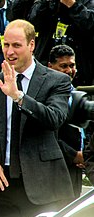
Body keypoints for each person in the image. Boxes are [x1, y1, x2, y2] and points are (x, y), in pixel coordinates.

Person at [0, 19, 74, 217]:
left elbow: (54, 119)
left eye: (16, 45)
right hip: (1, 187)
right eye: (6, 45)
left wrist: (18, 96)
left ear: (31, 45)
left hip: (44, 188)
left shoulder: (57, 80)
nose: (9, 51)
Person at [48, 44, 85, 199]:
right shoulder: (46, 95)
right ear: (50, 67)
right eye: (63, 66)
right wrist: (74, 155)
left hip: (77, 168)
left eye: (72, 65)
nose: (69, 70)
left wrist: (85, 155)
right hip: (56, 169)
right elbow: (49, 135)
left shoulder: (75, 92)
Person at [28, 0, 94, 87]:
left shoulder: (88, 2)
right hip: (46, 68)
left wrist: (73, 5)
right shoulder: (47, 3)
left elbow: (90, 24)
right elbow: (33, 23)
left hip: (79, 71)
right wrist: (46, 3)